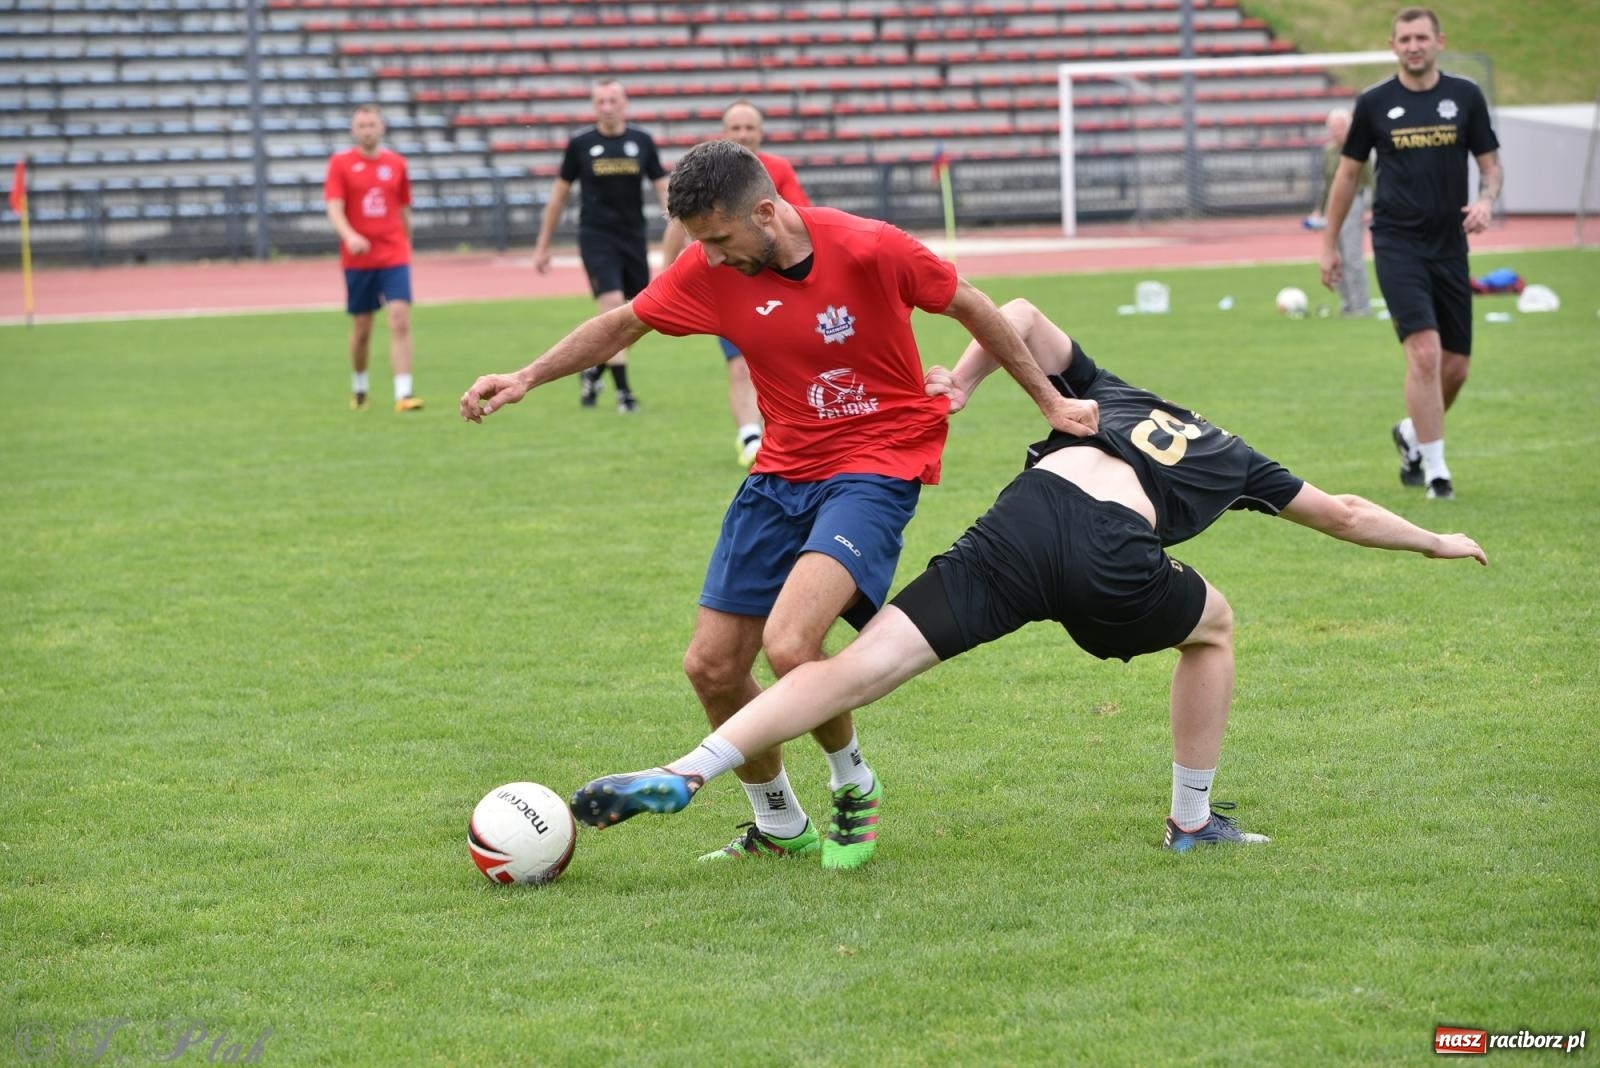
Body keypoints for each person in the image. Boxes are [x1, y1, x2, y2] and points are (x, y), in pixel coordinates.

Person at [570, 298, 1488, 855]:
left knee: (852, 671)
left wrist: (966, 386)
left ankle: (694, 769)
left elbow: (1016, 317)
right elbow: (1349, 513)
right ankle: (1193, 820)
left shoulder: (1117, 390)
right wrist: (1432, 542)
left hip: (1017, 525)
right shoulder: (1240, 459)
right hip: (1111, 556)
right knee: (1213, 625)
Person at [462, 141, 1099, 869]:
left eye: (720, 238)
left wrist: (1050, 399)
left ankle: (853, 781)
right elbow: (623, 325)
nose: (710, 255)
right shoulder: (710, 269)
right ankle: (779, 824)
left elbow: (975, 307)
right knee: (710, 667)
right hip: (780, 473)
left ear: (765, 211)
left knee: (791, 643)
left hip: (875, 466)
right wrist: (526, 376)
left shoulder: (869, 248)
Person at [1320, 7, 1503, 500]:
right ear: (1393, 43)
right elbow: (1347, 175)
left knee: (1456, 367)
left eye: (1422, 37)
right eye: (1405, 38)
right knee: (1425, 354)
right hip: (1397, 244)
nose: (1413, 45)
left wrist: (1486, 200)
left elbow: (1491, 166)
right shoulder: (1375, 103)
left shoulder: (1465, 96)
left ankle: (1410, 433)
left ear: (1439, 41)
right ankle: (1437, 471)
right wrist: (1329, 245)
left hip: (1450, 246)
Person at [662, 100, 813, 467]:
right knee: (739, 364)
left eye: (750, 128)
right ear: (725, 133)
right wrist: (666, 276)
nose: (744, 135)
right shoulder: (708, 176)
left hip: (777, 284)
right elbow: (678, 226)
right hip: (731, 282)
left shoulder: (778, 170)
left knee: (781, 360)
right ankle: (749, 437)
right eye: (736, 129)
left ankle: (778, 431)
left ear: (761, 132)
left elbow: (802, 217)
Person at [532, 78, 669, 414]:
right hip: (596, 237)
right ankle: (625, 394)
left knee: (635, 314)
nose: (607, 107)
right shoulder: (580, 145)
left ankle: (593, 371)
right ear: (594, 107)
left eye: (612, 101)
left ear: (624, 104)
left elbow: (662, 186)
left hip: (633, 237)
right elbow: (559, 196)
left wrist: (676, 221)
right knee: (610, 306)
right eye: (600, 102)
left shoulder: (642, 141)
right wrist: (543, 244)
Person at [323, 104, 423, 413]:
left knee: (399, 319)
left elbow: (404, 209)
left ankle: (403, 394)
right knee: (362, 329)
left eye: (372, 125)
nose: (367, 130)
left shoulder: (396, 164)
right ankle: (360, 386)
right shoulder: (340, 164)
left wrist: (407, 246)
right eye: (362, 125)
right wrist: (350, 235)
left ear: (382, 128)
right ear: (354, 130)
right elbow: (334, 207)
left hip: (393, 254)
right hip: (359, 260)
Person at [1305, 107, 1374, 317]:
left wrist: (1370, 207)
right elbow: (1328, 185)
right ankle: (1347, 304)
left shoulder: (1361, 149)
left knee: (1353, 255)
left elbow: (1371, 180)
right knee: (1335, 254)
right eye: (1334, 128)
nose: (1338, 132)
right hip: (1332, 206)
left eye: (1342, 127)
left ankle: (1361, 306)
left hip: (1355, 201)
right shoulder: (1328, 151)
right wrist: (1319, 209)